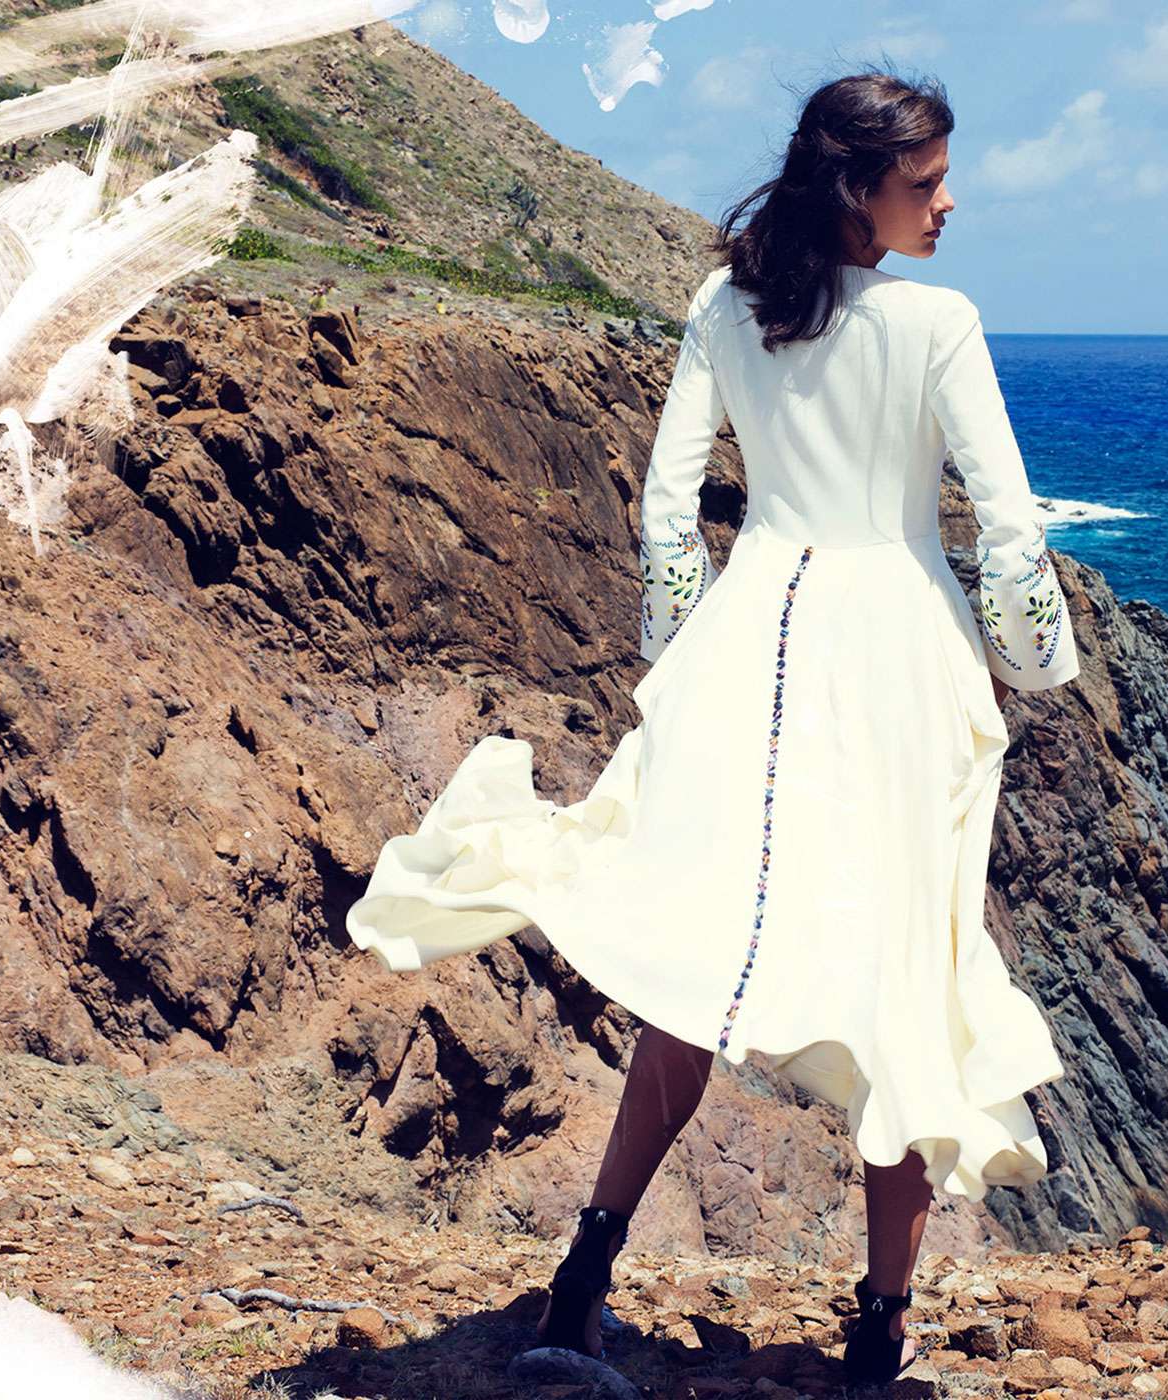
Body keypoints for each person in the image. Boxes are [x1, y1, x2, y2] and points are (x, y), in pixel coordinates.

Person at [343, 68, 1080, 1387]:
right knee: (904, 983)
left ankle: (580, 1287)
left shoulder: (727, 309)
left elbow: (666, 509)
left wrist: (687, 659)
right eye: (925, 183)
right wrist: (1037, 665)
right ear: (856, 187)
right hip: (899, 663)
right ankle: (876, 1344)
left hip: (753, 651)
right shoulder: (940, 324)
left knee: (699, 968)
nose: (948, 203)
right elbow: (1012, 527)